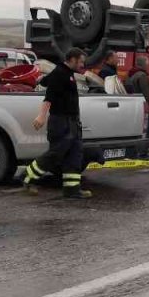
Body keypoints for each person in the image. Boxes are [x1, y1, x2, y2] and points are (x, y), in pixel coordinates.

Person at [25, 48, 92, 199]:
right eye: (81, 61)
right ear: (72, 59)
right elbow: (49, 97)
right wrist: (41, 116)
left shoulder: (65, 73)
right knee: (56, 154)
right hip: (61, 122)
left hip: (72, 123)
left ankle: (71, 190)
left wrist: (42, 80)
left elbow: (46, 81)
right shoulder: (60, 73)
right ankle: (28, 177)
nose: (82, 65)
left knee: (74, 155)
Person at [123, 56, 149, 136]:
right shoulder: (142, 76)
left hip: (133, 105)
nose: (148, 66)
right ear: (144, 64)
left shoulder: (130, 75)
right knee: (147, 129)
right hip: (143, 106)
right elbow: (146, 93)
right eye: (147, 64)